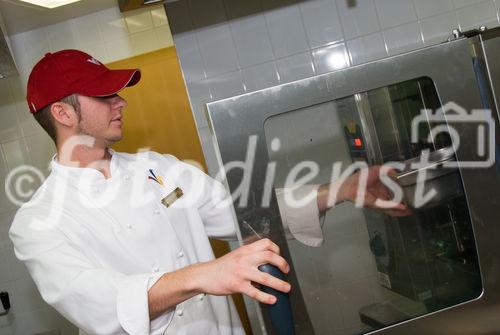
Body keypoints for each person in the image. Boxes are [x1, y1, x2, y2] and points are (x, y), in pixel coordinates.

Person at [9, 50, 409, 335]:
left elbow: (246, 214)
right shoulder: (39, 222)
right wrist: (203, 274)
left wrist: (342, 190)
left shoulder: (159, 168)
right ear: (63, 114)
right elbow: (98, 303)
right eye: (104, 95)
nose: (121, 102)